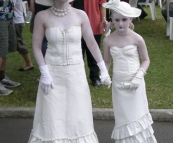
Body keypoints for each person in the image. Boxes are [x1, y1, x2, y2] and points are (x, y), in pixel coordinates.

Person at [28, 0, 111, 142]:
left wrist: (103, 69)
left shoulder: (81, 15)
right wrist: (44, 72)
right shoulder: (42, 16)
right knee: (52, 116)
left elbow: (91, 42)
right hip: (53, 74)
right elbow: (36, 46)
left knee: (77, 115)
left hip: (75, 74)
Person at [102, 0, 157, 142]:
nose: (120, 23)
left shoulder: (137, 38)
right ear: (112, 20)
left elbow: (146, 60)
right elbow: (107, 61)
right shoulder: (108, 41)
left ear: (130, 19)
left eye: (124, 20)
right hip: (119, 84)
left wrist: (139, 76)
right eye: (117, 20)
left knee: (136, 115)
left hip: (135, 82)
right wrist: (105, 73)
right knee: (124, 117)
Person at [72, 0, 108, 87]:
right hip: (75, 24)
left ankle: (95, 77)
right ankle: (77, 77)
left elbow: (102, 3)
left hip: (93, 23)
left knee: (93, 54)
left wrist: (103, 18)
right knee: (77, 53)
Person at [0, 0, 21, 96]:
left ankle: (2, 77)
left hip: (8, 15)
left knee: (5, 49)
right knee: (1, 50)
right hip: (1, 17)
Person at [13, 0, 34, 71]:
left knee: (19, 42)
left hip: (16, 22)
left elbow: (11, 6)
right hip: (16, 21)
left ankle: (29, 64)